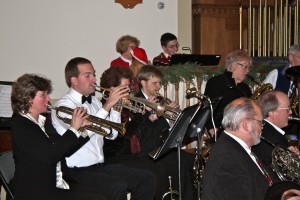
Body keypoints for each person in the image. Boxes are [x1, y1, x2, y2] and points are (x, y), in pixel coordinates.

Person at [52, 57, 156, 200]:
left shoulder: (94, 102)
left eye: (93, 74)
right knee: (117, 186)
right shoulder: (64, 105)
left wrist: (116, 107)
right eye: (88, 75)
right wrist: (107, 106)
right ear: (74, 80)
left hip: (98, 166)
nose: (94, 79)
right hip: (75, 170)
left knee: (146, 178)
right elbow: (83, 132)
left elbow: (111, 134)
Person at [10, 73, 108, 200]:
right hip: (35, 192)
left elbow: (64, 150)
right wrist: (73, 128)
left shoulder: (42, 121)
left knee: (106, 194)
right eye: (43, 95)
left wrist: (82, 130)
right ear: (28, 99)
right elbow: (51, 156)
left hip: (53, 184)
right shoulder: (21, 125)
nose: (48, 99)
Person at [129, 65, 195, 200]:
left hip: (161, 145)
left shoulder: (159, 100)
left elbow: (166, 127)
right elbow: (140, 133)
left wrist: (171, 116)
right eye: (155, 83)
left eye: (159, 83)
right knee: (179, 162)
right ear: (143, 83)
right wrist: (155, 114)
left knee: (189, 159)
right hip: (147, 149)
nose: (158, 87)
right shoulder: (135, 101)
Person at [201, 97, 271, 199]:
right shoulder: (228, 158)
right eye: (260, 122)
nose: (262, 127)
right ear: (246, 124)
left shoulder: (235, 147)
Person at [252, 90, 300, 180]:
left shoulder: (264, 129)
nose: (290, 112)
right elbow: (286, 178)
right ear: (272, 113)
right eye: (287, 109)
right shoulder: (274, 139)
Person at [204, 49, 252, 136]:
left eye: (248, 68)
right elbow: (208, 108)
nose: (247, 71)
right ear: (233, 66)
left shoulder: (245, 88)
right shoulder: (216, 82)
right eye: (245, 67)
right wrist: (212, 128)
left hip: (242, 129)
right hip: (220, 129)